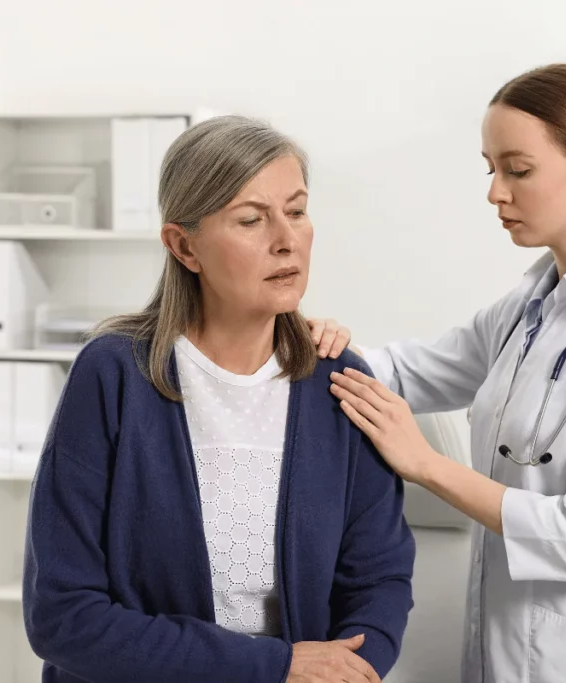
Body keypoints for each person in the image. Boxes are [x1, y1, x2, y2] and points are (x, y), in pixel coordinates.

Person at [318, 63, 566, 683]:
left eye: (518, 170)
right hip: (507, 653)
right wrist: (309, 346)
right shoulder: (532, 306)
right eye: (490, 169)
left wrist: (425, 464)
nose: (496, 191)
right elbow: (408, 370)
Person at [22, 115, 416, 683]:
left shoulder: (341, 381)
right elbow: (62, 617)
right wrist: (276, 667)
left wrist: (348, 670)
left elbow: (378, 580)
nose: (286, 239)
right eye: (252, 219)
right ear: (184, 246)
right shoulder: (113, 374)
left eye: (298, 211)